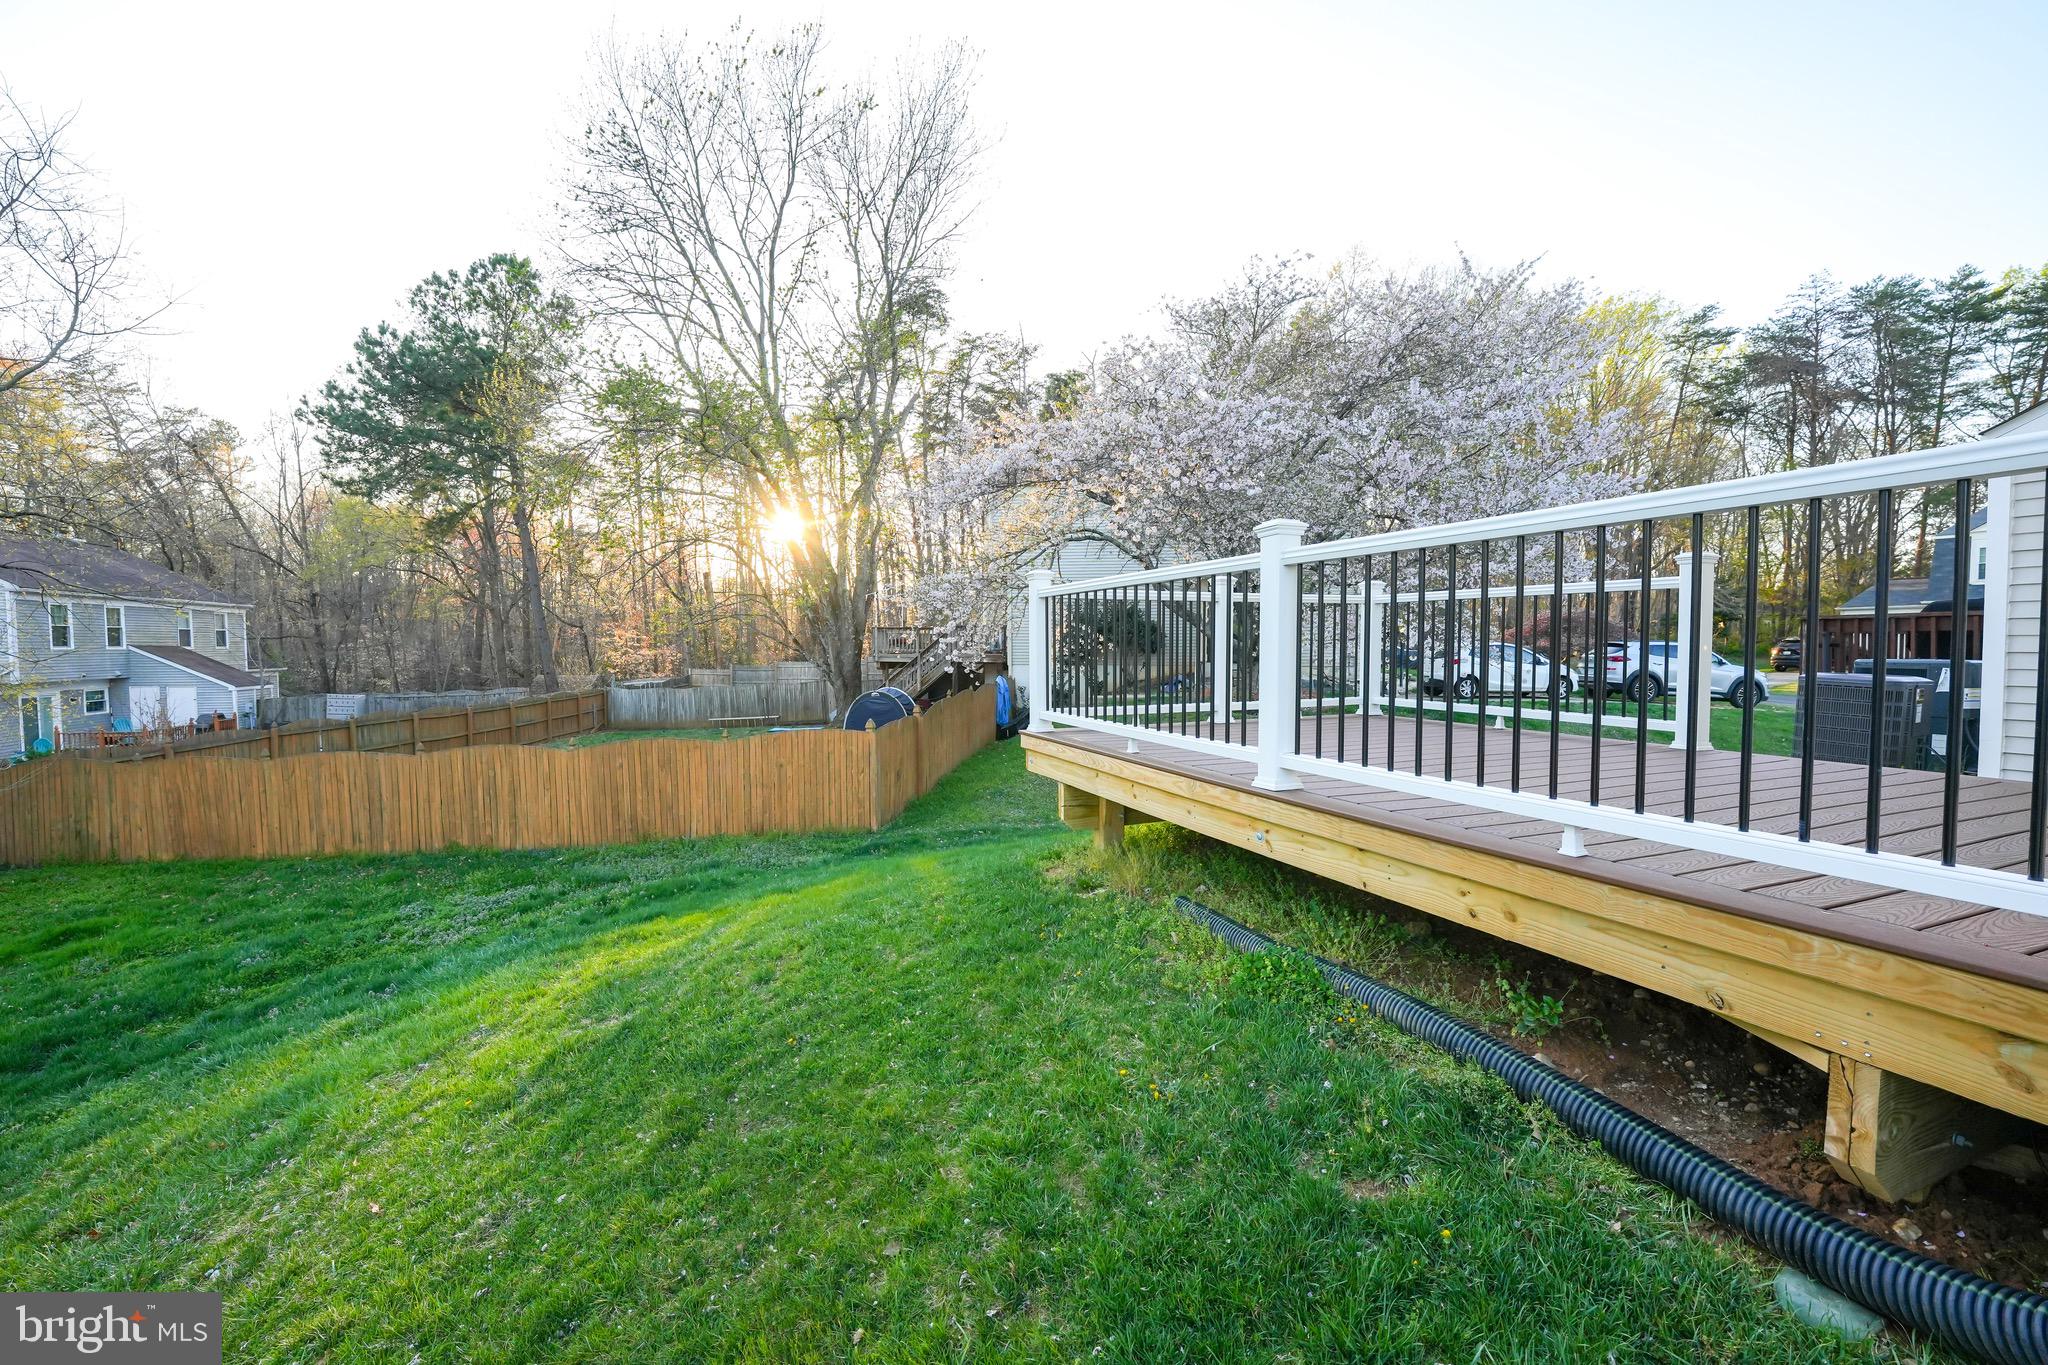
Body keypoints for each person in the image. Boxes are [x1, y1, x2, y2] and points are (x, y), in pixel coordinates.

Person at [994, 672, 1014, 740]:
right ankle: (1003, 735)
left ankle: (1002, 736)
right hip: (1002, 706)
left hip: (1001, 705)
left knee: (1001, 716)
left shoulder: (1000, 685)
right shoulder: (1002, 684)